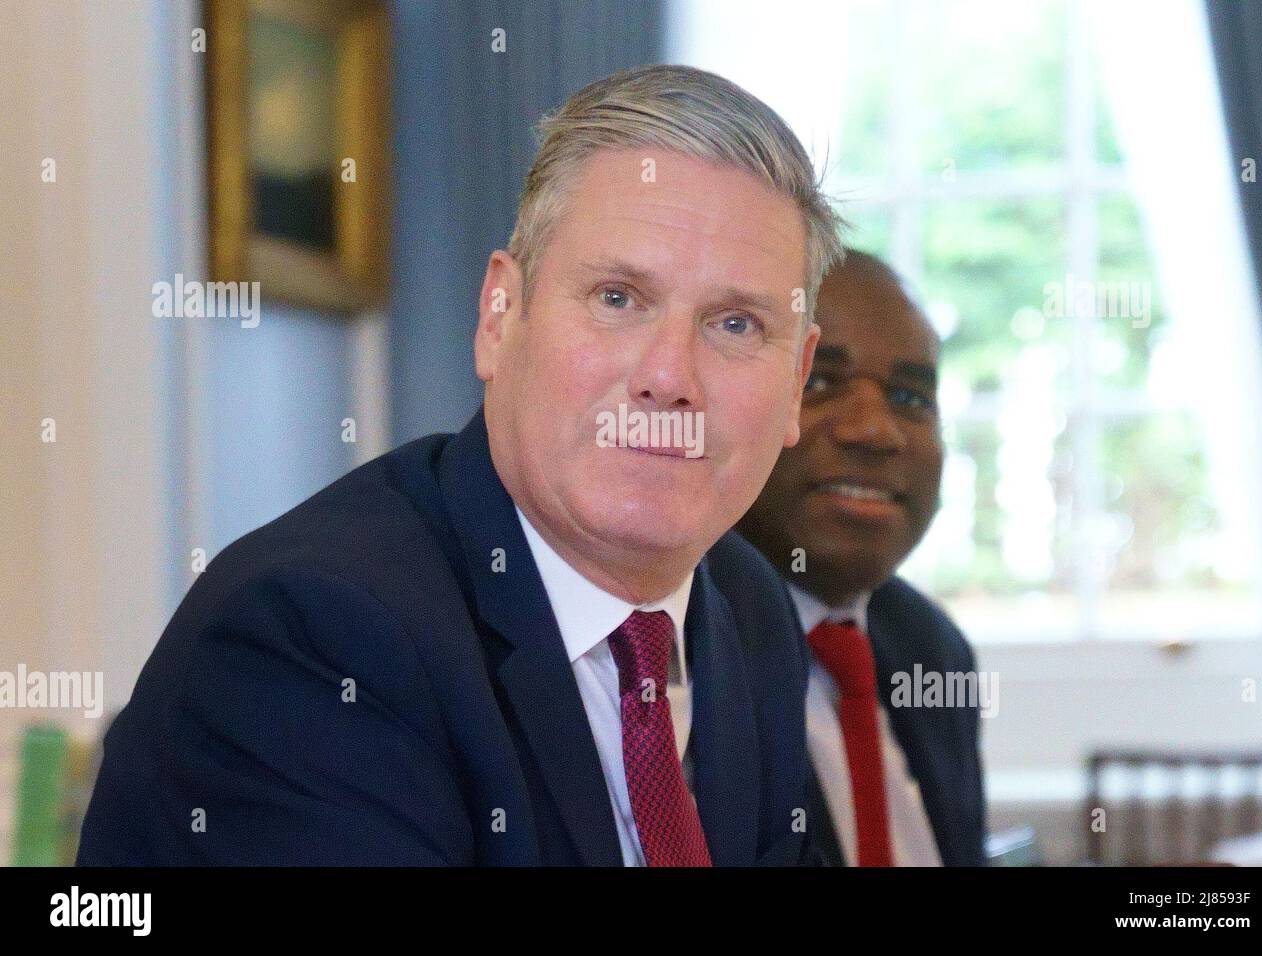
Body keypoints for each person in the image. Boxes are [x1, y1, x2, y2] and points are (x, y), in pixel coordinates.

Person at [76, 64, 846, 866]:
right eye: (618, 298)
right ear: (498, 315)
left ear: (796, 382)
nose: (670, 377)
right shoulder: (314, 631)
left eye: (735, 324)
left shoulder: (746, 610)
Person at [737, 250, 987, 866]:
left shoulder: (931, 647)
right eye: (818, 383)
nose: (874, 430)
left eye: (909, 396)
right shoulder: (676, 650)